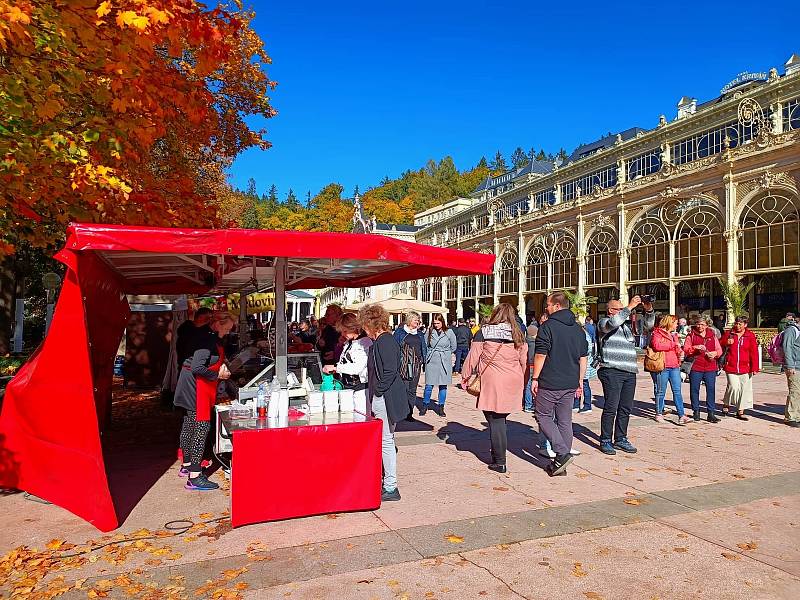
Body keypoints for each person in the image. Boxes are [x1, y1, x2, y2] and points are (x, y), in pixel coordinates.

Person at [461, 303, 527, 473]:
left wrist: (465, 375)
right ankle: (498, 450)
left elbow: (473, 356)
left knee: (495, 419)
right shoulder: (518, 332)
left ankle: (500, 460)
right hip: (513, 378)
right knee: (499, 418)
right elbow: (523, 360)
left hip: (493, 379)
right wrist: (524, 378)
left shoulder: (484, 331)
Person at [174, 312, 235, 491]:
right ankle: (194, 476)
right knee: (200, 427)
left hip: (191, 385)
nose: (229, 331)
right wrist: (219, 375)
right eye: (227, 327)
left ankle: (186, 465)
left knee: (189, 425)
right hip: (196, 387)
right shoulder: (206, 341)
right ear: (218, 323)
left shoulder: (206, 335)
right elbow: (197, 367)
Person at [531, 293, 588, 476]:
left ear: (556, 306)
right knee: (565, 420)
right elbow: (583, 358)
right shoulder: (579, 329)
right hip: (570, 380)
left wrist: (535, 378)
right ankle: (560, 462)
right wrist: (580, 380)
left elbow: (541, 354)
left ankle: (561, 452)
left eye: (548, 305)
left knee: (543, 415)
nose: (545, 308)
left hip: (550, 380)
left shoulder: (547, 327)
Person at [361, 303, 407, 501]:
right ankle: (388, 483)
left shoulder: (384, 341)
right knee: (386, 440)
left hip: (385, 397)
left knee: (386, 441)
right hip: (383, 396)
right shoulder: (382, 341)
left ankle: (390, 486)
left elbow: (389, 371)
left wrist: (378, 391)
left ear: (371, 324)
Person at [597, 295, 655, 455]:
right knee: (611, 406)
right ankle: (606, 439)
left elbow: (649, 326)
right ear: (611, 310)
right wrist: (629, 307)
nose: (624, 311)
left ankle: (621, 438)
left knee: (626, 407)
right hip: (612, 369)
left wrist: (649, 309)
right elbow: (612, 323)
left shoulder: (627, 327)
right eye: (620, 309)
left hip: (629, 371)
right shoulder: (603, 322)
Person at [322, 313, 372, 412]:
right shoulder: (350, 342)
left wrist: (336, 368)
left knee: (361, 417)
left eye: (345, 331)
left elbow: (358, 367)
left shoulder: (364, 342)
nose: (343, 334)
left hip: (360, 389)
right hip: (349, 387)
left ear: (353, 328)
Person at [649, 315, 689, 425]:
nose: (677, 325)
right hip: (663, 365)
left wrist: (679, 351)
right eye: (675, 323)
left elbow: (676, 347)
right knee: (661, 391)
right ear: (669, 323)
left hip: (674, 365)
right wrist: (673, 344)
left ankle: (681, 415)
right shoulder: (657, 333)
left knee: (677, 391)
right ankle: (658, 413)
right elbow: (657, 346)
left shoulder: (674, 335)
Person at [683, 315, 722, 422]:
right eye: (698, 324)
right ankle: (696, 411)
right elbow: (686, 349)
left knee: (711, 389)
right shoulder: (691, 335)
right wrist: (695, 348)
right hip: (696, 366)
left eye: (702, 324)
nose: (700, 326)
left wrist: (715, 353)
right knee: (694, 389)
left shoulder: (712, 335)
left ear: (707, 325)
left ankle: (711, 413)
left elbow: (719, 350)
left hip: (710, 367)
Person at [720, 316, 759, 420]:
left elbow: (754, 352)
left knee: (744, 389)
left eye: (740, 324)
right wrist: (726, 342)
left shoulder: (750, 335)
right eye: (736, 323)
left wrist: (755, 367)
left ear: (745, 325)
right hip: (730, 365)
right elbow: (719, 343)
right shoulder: (729, 334)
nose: (737, 326)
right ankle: (726, 403)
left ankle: (740, 410)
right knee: (733, 386)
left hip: (745, 367)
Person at [421, 314, 457, 417]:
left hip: (444, 360)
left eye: (438, 323)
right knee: (429, 385)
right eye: (434, 323)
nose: (436, 325)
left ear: (443, 322)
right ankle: (425, 404)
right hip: (432, 360)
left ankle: (441, 407)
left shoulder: (449, 332)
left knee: (443, 385)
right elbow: (425, 344)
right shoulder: (429, 331)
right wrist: (428, 355)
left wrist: (446, 354)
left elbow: (454, 346)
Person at [393, 311, 427, 418]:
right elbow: (394, 348)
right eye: (415, 319)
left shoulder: (420, 334)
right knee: (403, 389)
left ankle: (409, 413)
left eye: (418, 320)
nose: (417, 321)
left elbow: (423, 349)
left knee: (412, 390)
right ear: (409, 320)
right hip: (403, 364)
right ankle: (401, 411)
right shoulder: (400, 332)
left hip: (416, 365)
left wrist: (423, 361)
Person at [781, 317, 800, 427]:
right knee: (795, 391)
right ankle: (790, 417)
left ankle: (797, 416)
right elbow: (787, 347)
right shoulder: (791, 330)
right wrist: (790, 365)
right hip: (794, 366)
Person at [574, 322, 596, 414]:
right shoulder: (582, 334)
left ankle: (587, 405)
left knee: (584, 385)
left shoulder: (583, 335)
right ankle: (576, 404)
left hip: (584, 365)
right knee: (578, 384)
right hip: (582, 364)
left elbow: (586, 351)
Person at [523, 319, 539, 413]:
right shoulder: (534, 343)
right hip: (533, 365)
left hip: (527, 365)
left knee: (528, 384)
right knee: (532, 384)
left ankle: (527, 404)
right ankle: (529, 404)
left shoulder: (525, 342)